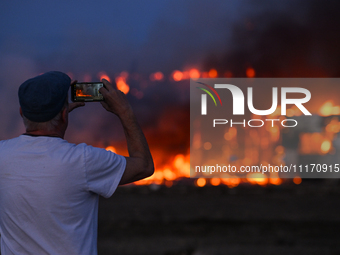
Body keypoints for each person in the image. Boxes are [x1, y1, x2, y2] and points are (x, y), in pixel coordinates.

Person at [0, 71, 154, 255]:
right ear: (65, 115)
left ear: (21, 112)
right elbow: (144, 166)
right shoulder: (83, 160)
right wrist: (125, 112)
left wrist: (56, 115)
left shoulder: (3, 153)